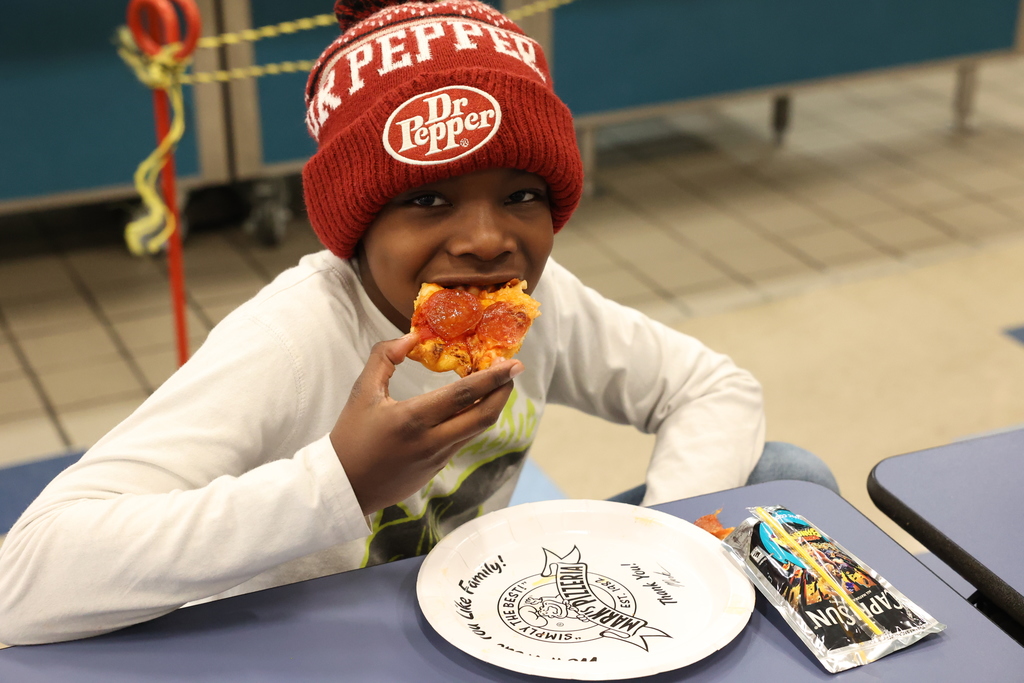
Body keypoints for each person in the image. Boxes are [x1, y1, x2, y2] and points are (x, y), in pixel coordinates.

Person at [0, 0, 836, 646]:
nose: (485, 239)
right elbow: (24, 579)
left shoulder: (539, 304)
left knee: (786, 472)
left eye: (522, 195)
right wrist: (340, 481)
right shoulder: (292, 340)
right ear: (357, 227)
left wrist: (664, 545)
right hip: (310, 638)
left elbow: (711, 385)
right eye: (428, 199)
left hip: (482, 603)